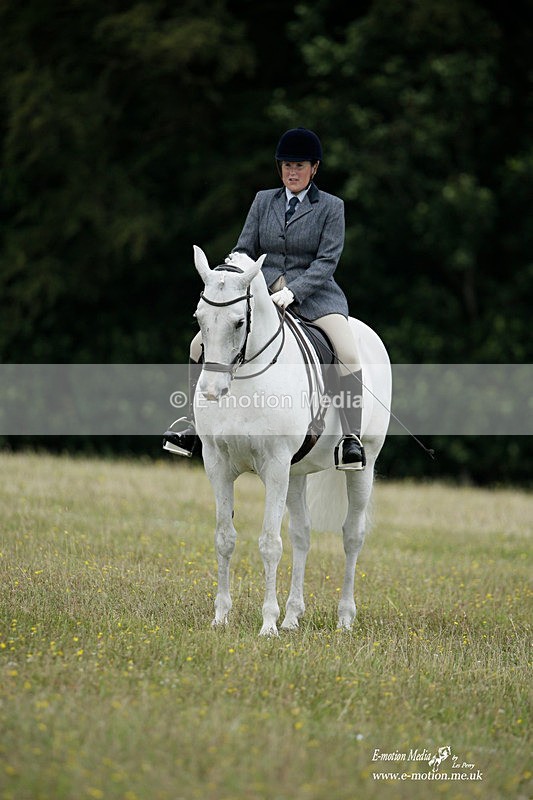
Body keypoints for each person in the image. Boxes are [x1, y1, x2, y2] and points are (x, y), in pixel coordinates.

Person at [163, 127, 366, 470]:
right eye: (286, 165)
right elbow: (244, 248)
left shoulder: (332, 207)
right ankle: (191, 425)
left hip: (316, 297)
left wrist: (294, 291)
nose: (291, 172)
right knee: (199, 345)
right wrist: (229, 275)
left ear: (314, 168)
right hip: (262, 297)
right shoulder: (263, 200)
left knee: (347, 351)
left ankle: (351, 438)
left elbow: (327, 262)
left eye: (299, 165)